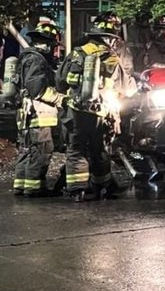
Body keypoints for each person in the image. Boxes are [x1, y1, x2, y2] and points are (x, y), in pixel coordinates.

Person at [56, 12, 137, 202]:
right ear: (109, 39)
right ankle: (101, 186)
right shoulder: (111, 58)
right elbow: (128, 89)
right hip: (100, 114)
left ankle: (77, 191)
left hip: (75, 112)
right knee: (99, 150)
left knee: (75, 150)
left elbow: (60, 81)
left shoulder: (76, 53)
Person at [13, 21, 65, 197]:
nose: (54, 50)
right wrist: (61, 99)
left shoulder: (26, 58)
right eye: (52, 45)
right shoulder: (37, 59)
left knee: (26, 150)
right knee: (41, 150)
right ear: (47, 44)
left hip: (25, 113)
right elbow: (37, 89)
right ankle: (35, 188)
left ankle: (21, 186)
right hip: (39, 114)